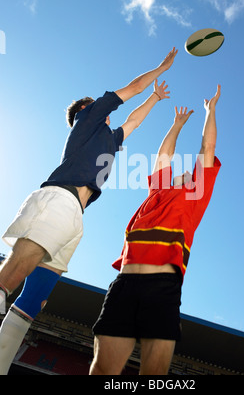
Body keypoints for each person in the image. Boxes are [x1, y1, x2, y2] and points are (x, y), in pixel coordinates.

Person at [0, 48, 178, 375]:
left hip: (76, 216)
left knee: (35, 299)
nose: (102, 107)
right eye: (93, 103)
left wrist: (154, 98)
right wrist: (161, 67)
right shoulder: (89, 116)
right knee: (16, 271)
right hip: (59, 198)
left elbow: (134, 120)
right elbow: (132, 87)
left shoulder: (108, 138)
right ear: (87, 109)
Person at [90, 85, 222, 376]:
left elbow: (207, 149)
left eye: (191, 171)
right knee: (101, 370)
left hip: (162, 287)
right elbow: (164, 154)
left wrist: (210, 111)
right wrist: (176, 125)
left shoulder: (194, 196)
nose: (185, 170)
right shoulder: (158, 190)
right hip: (123, 285)